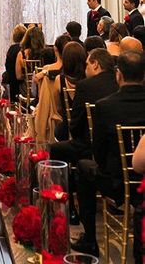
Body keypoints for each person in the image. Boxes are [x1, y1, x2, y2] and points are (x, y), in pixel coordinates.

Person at [72, 51, 145, 258]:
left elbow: (99, 153)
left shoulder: (105, 106)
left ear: (118, 74)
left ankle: (90, 238)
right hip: (143, 181)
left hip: (117, 183)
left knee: (84, 166)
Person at [50, 48, 118, 167]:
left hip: (90, 145)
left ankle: (66, 184)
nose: (85, 69)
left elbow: (75, 125)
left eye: (87, 65)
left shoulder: (85, 86)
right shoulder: (119, 83)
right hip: (117, 146)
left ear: (95, 64)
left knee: (54, 149)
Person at [53, 41, 87, 141]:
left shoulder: (59, 80)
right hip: (85, 128)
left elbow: (58, 107)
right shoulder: (88, 80)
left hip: (66, 128)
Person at [15, 26, 45, 96]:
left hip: (27, 90)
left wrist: (27, 76)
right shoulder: (45, 53)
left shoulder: (22, 54)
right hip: (42, 89)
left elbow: (18, 76)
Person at [4, 24, 27, 101]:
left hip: (11, 83)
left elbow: (7, 65)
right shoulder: (24, 50)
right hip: (21, 85)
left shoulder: (11, 49)